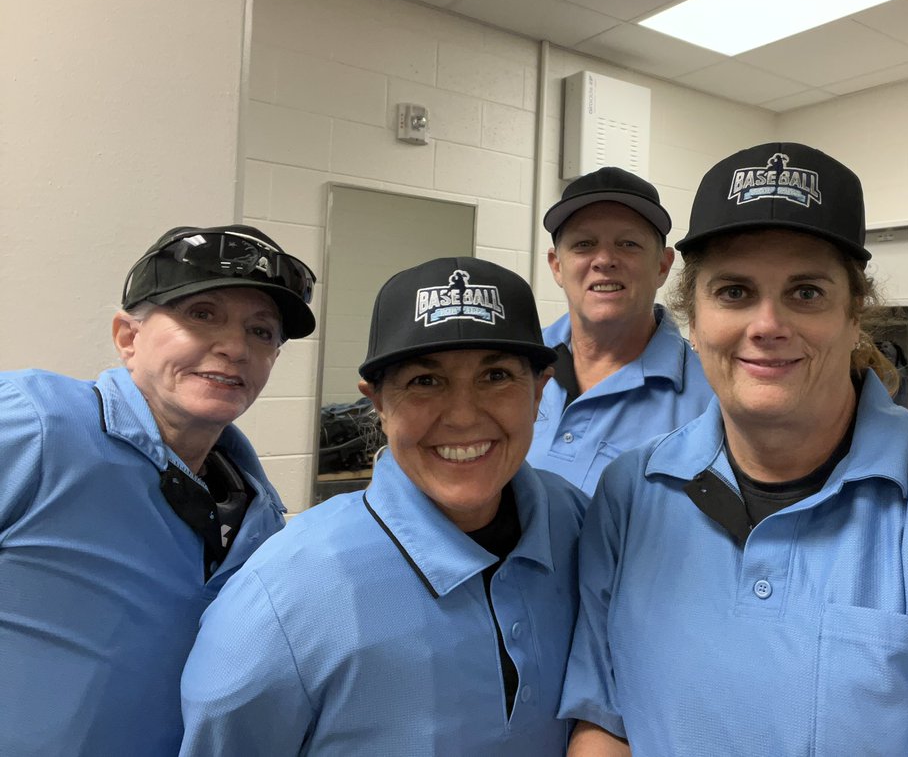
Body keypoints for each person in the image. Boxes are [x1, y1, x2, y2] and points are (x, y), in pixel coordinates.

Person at [559, 143, 908, 755]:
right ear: (692, 322)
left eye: (806, 292)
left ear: (854, 316)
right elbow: (603, 723)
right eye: (733, 292)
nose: (767, 323)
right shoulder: (631, 493)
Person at [180, 257, 589, 755]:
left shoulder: (578, 524)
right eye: (424, 381)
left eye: (497, 375)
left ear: (539, 392)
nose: (463, 416)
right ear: (377, 402)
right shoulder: (286, 593)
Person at [0, 224, 316, 755]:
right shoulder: (36, 425)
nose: (235, 348)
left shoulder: (259, 516)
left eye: (262, 332)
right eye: (202, 314)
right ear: (128, 336)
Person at [528, 166, 712, 494]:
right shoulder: (514, 362)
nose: (604, 260)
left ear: (662, 266)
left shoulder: (711, 400)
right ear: (557, 265)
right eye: (584, 244)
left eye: (628, 244)